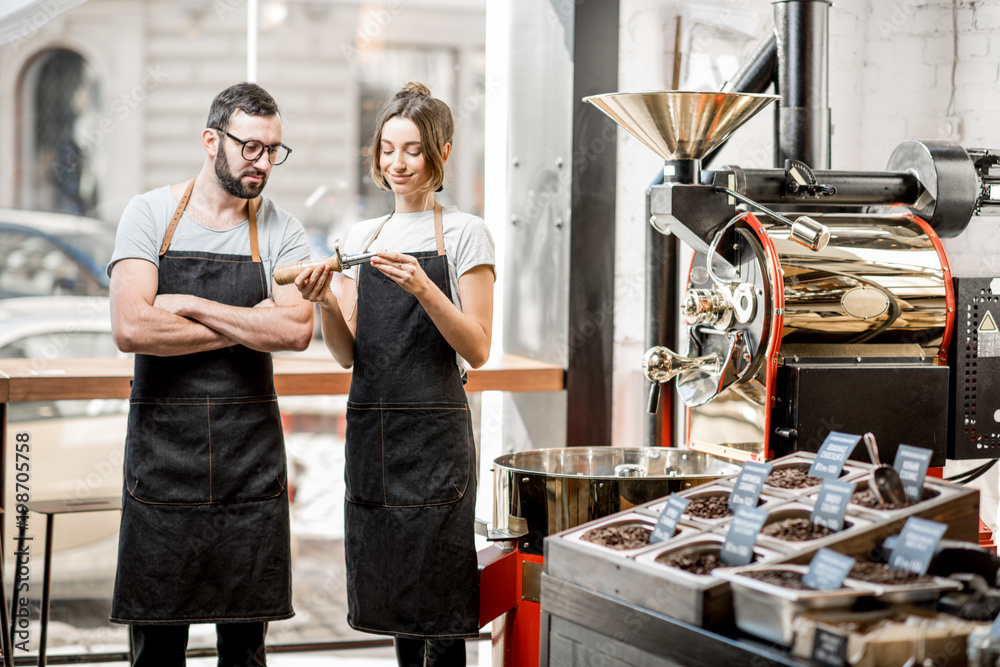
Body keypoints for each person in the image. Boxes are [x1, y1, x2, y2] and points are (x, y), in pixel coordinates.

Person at [107, 82, 314, 665]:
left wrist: (191, 305)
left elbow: (296, 331)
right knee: (157, 649)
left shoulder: (281, 228)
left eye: (274, 150)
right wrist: (251, 322)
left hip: (249, 467)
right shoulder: (148, 213)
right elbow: (132, 327)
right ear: (210, 140)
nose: (264, 163)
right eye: (251, 147)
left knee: (245, 651)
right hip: (163, 466)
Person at [295, 82, 495, 666]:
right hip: (375, 437)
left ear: (443, 154)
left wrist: (425, 287)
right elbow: (347, 355)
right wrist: (324, 301)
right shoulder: (361, 238)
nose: (397, 163)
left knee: (440, 600)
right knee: (396, 600)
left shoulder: (464, 233)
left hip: (434, 440)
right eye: (387, 149)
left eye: (411, 150)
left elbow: (477, 347)